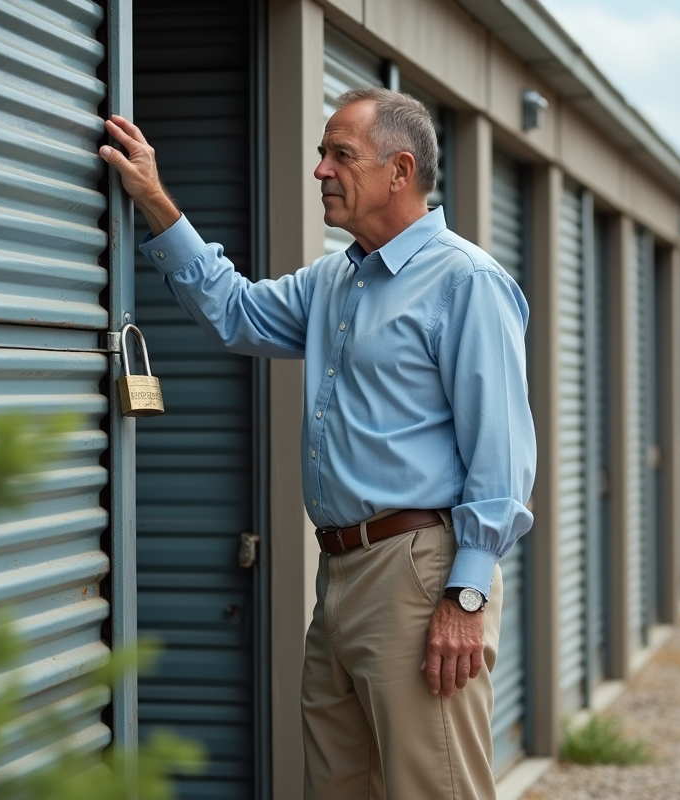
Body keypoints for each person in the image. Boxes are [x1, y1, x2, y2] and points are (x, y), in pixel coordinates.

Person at [99, 87, 535, 800]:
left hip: (420, 572)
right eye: (321, 153)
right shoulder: (336, 280)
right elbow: (235, 312)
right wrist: (153, 197)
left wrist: (465, 597)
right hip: (339, 573)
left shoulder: (467, 282)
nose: (320, 170)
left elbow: (502, 452)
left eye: (341, 154)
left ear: (400, 170)